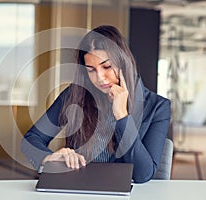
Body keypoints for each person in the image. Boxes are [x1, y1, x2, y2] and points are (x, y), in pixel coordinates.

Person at [21, 25, 171, 183]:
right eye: (91, 70)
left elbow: (143, 174)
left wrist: (122, 116)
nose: (99, 77)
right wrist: (47, 158)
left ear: (123, 62)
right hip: (81, 188)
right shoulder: (75, 94)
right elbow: (31, 139)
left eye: (106, 67)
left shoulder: (158, 107)